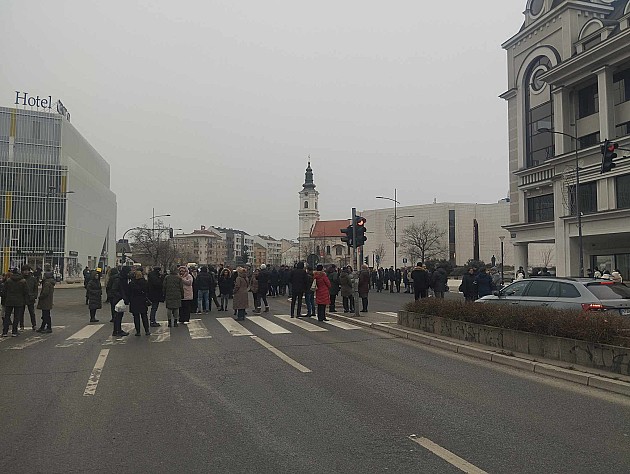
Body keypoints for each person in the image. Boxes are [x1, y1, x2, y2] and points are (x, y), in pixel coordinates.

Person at [2, 268, 29, 337]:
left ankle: (5, 331)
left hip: (9, 300)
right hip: (19, 301)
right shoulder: (23, 281)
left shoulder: (8, 280)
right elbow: (26, 292)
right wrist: (25, 301)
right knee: (16, 316)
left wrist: (4, 300)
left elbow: (4, 292)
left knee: (7, 316)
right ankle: (14, 331)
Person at [129, 271, 151, 336]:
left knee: (136, 317)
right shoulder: (145, 282)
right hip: (142, 300)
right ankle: (147, 330)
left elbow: (129, 292)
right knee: (144, 316)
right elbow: (148, 291)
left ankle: (138, 331)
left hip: (134, 301)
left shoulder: (132, 283)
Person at [36, 266, 55, 333]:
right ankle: (42, 327)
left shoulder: (47, 283)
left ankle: (48, 327)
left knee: (45, 315)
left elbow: (45, 293)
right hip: (48, 301)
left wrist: (40, 297)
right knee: (45, 314)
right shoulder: (50, 282)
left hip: (45, 301)